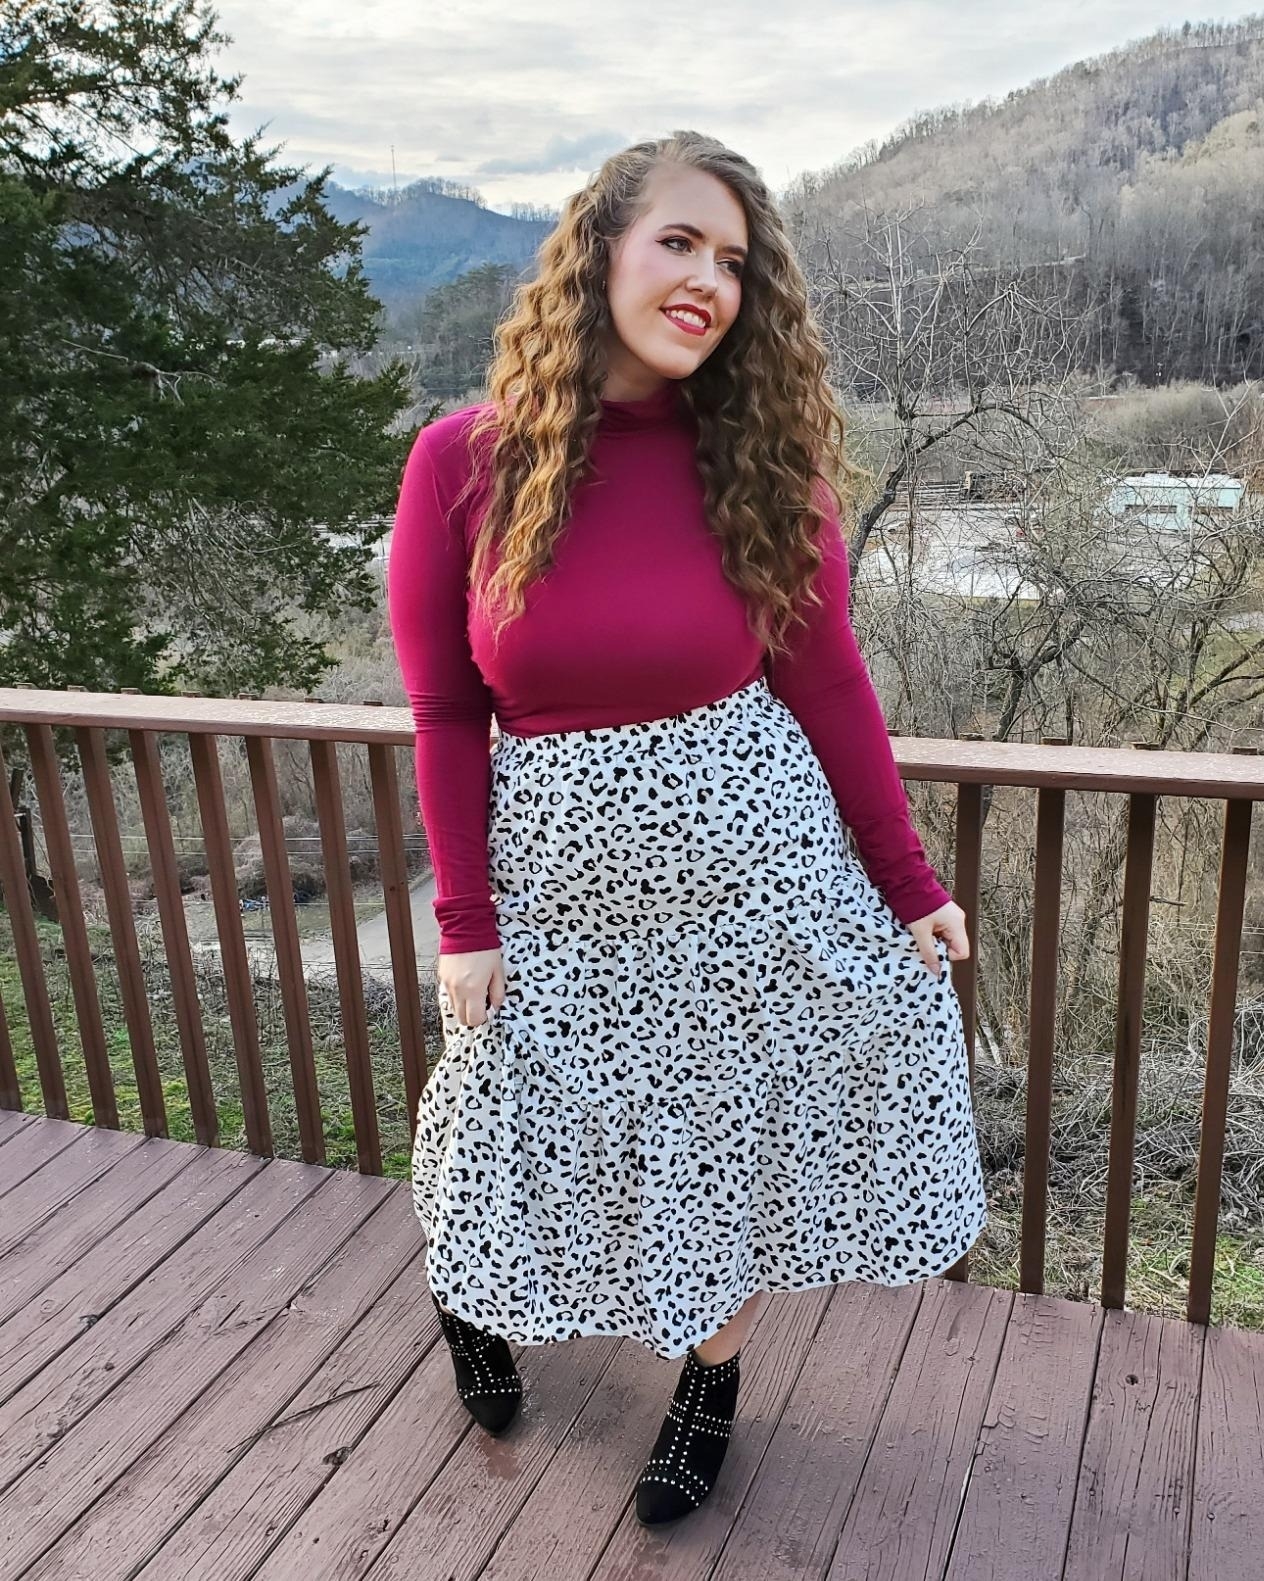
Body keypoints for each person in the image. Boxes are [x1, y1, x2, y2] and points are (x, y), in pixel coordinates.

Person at [387, 129, 988, 1526]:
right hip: (555, 890)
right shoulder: (464, 464)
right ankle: (472, 1290)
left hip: (750, 889)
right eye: (679, 243)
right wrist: (465, 923)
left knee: (722, 1136)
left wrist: (908, 880)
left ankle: (707, 1387)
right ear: (597, 251)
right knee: (503, 1118)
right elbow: (441, 713)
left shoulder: (763, 471)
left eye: (734, 262)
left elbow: (830, 678)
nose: (708, 280)